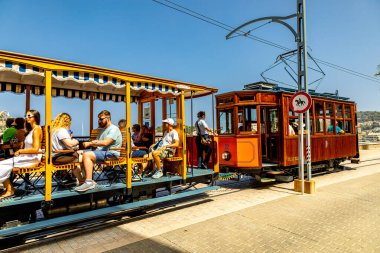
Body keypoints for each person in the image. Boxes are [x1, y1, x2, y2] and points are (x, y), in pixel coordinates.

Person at [74, 110, 122, 192]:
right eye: (99, 119)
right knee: (79, 154)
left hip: (111, 153)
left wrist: (90, 143)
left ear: (108, 118)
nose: (99, 121)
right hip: (102, 152)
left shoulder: (114, 129)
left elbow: (106, 142)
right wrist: (84, 150)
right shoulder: (102, 130)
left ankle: (89, 182)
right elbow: (98, 146)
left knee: (87, 155)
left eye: (101, 119)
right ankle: (84, 180)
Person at [0, 110, 42, 200]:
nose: (26, 118)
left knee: (1, 165)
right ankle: (10, 189)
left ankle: (10, 190)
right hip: (26, 157)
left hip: (32, 158)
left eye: (29, 116)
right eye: (26, 116)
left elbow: (36, 149)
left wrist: (21, 151)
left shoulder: (37, 130)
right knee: (2, 164)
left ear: (35, 118)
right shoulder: (31, 130)